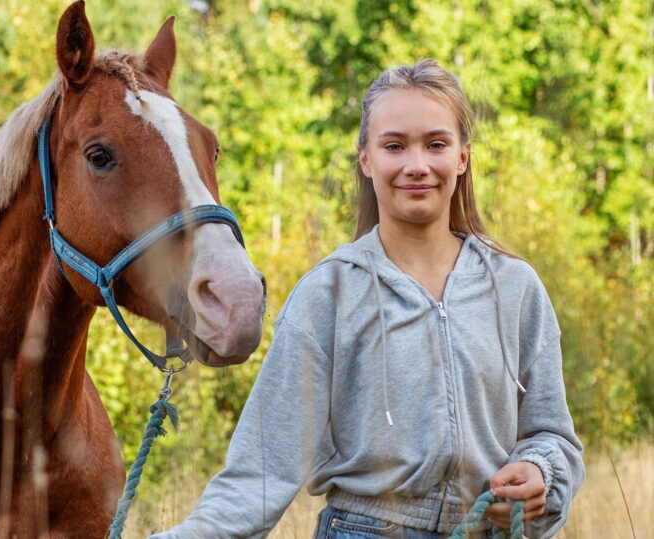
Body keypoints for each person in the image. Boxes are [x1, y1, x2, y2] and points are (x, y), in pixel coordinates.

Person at [152, 59, 585, 539]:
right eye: (394, 146)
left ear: (463, 156)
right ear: (366, 158)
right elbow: (262, 469)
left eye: (436, 144)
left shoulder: (515, 287)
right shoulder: (329, 293)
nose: (416, 165)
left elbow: (553, 436)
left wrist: (540, 474)